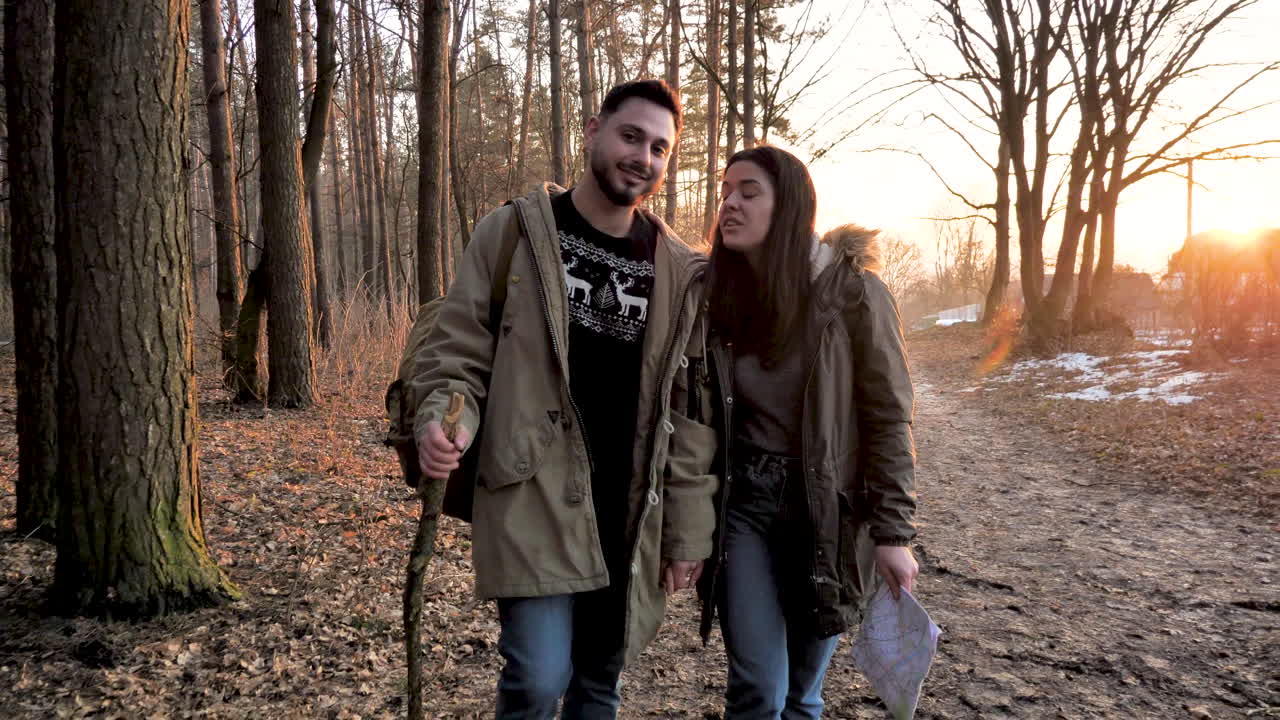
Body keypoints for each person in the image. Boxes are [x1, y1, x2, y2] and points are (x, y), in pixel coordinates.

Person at [409, 79, 718, 719]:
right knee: (536, 676)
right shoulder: (514, 233)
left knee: (599, 682)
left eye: (660, 147)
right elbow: (458, 345)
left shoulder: (678, 271)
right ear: (592, 132)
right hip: (532, 490)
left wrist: (686, 530)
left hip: (630, 508)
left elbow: (686, 415)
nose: (644, 157)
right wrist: (441, 416)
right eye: (631, 136)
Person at [697, 145, 919, 719]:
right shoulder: (718, 294)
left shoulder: (853, 293)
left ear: (791, 204)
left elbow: (888, 415)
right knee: (757, 691)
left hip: (827, 513)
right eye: (725, 192)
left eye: (749, 192)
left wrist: (893, 532)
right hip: (744, 506)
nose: (730, 204)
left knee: (801, 694)